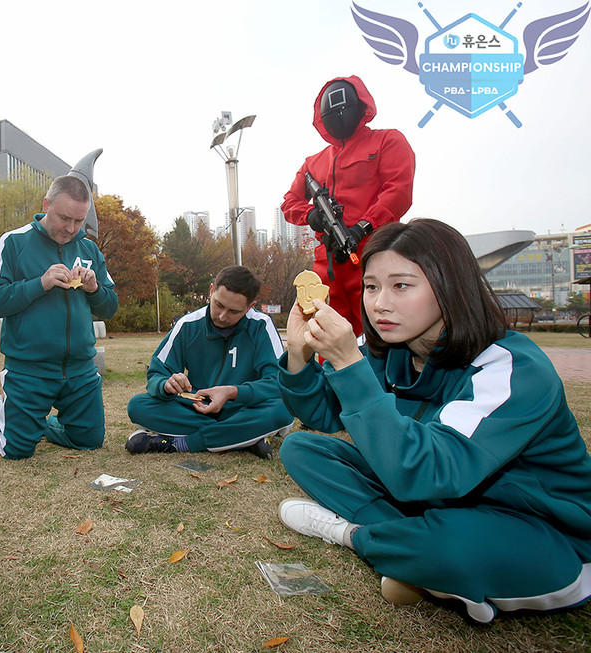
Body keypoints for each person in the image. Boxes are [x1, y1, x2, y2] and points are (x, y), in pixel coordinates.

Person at [275, 219, 591, 623]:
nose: (380, 303)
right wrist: (299, 354)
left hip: (536, 527)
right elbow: (322, 413)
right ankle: (410, 544)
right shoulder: (387, 347)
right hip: (432, 498)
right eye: (372, 286)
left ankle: (352, 535)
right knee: (303, 448)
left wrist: (347, 364)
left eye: (401, 286)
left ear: (450, 286)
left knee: (451, 548)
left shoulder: (510, 367)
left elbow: (425, 470)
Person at [0, 175, 118, 460]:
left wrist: (94, 289)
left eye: (79, 221)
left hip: (80, 370)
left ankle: (35, 424)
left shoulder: (89, 249)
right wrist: (39, 283)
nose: (70, 228)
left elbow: (110, 307)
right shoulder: (14, 242)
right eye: (64, 217)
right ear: (46, 204)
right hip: (29, 371)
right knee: (15, 452)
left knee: (89, 441)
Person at [281, 75, 415, 334]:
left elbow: (398, 191)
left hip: (372, 253)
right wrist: (312, 216)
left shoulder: (388, 140)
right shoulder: (313, 162)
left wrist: (363, 227)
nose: (339, 115)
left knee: (381, 332)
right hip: (327, 263)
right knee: (325, 335)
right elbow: (289, 202)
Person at [125, 265, 293, 459]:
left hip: (243, 408)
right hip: (198, 408)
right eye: (219, 305)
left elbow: (278, 383)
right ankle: (245, 438)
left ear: (249, 307)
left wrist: (232, 392)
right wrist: (166, 384)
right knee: (138, 406)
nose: (222, 316)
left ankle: (183, 443)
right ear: (211, 291)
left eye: (234, 311)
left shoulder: (261, 326)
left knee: (283, 411)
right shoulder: (188, 325)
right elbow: (157, 374)